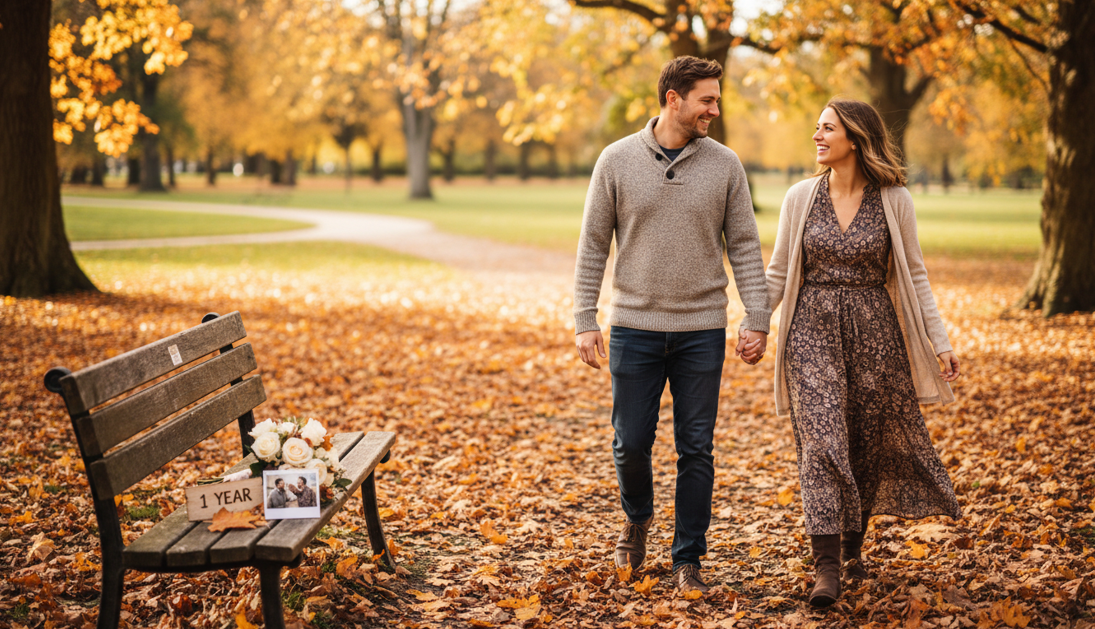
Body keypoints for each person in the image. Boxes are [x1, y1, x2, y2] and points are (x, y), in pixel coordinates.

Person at [573, 55, 771, 594]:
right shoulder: (615, 161)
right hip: (634, 326)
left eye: (718, 99)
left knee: (696, 447)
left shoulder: (725, 164)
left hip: (701, 329)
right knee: (630, 443)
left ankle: (689, 558)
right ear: (673, 98)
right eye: (707, 99)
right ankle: (637, 518)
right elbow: (593, 245)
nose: (715, 108)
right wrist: (584, 318)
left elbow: (747, 246)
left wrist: (758, 317)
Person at [765, 98, 962, 607]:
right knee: (823, 443)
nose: (818, 136)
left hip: (877, 336)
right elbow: (778, 271)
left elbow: (915, 275)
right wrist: (752, 323)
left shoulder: (894, 199)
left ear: (854, 137)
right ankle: (825, 568)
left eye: (827, 128)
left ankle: (853, 549)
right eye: (817, 127)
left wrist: (940, 344)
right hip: (812, 333)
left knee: (865, 446)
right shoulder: (799, 197)